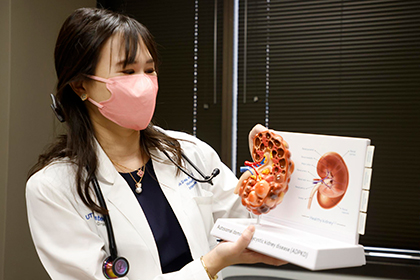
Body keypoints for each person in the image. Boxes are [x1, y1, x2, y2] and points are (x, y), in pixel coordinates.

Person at [26, 7, 285, 280]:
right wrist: (208, 266)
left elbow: (251, 222)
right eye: (127, 71)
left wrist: (269, 174)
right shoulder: (53, 188)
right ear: (80, 86)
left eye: (149, 70)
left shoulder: (189, 153)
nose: (144, 83)